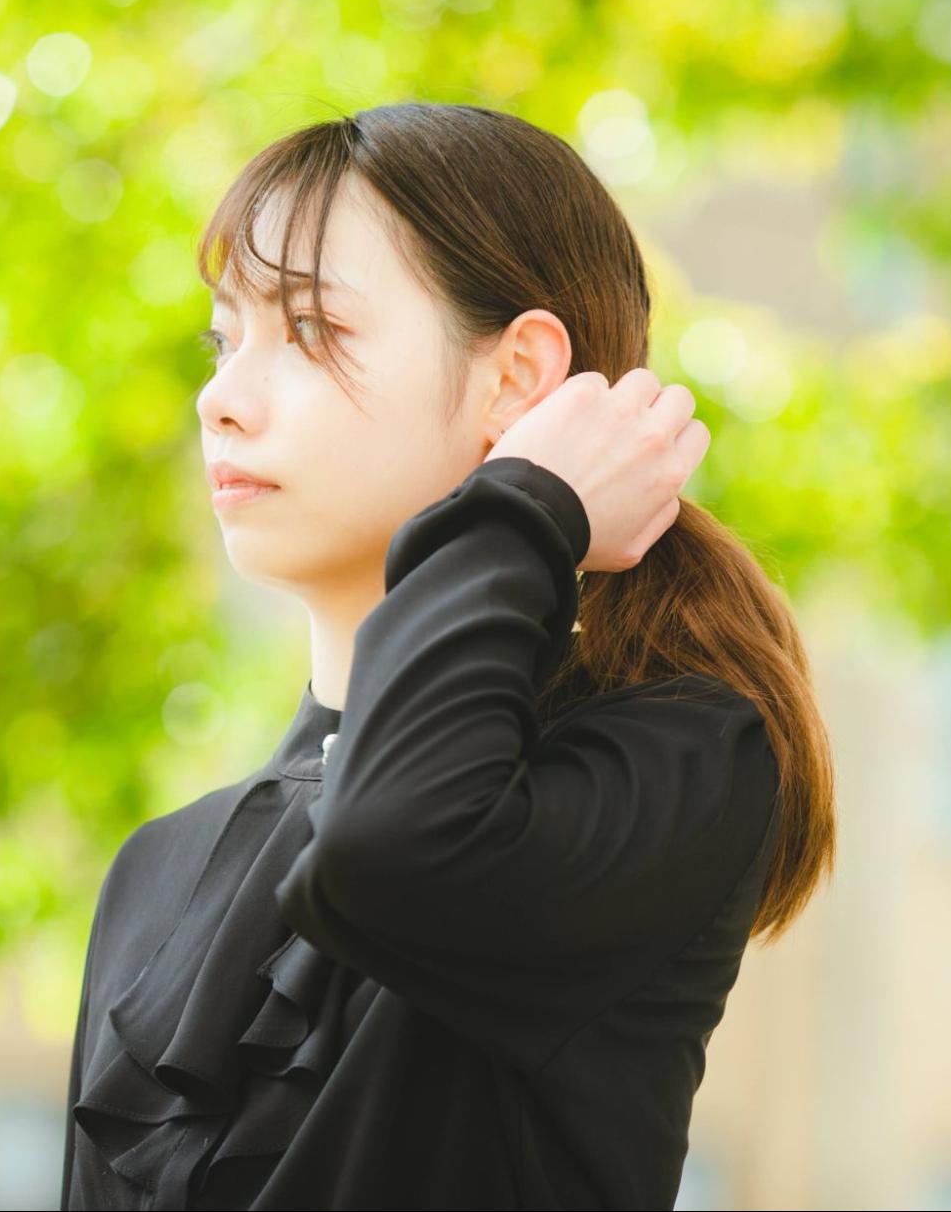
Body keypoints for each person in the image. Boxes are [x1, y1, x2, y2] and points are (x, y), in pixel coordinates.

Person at [59, 102, 837, 1209]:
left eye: (311, 332)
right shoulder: (159, 869)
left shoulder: (685, 754)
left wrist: (529, 504)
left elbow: (396, 845)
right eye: (224, 339)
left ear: (517, 378)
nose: (220, 400)